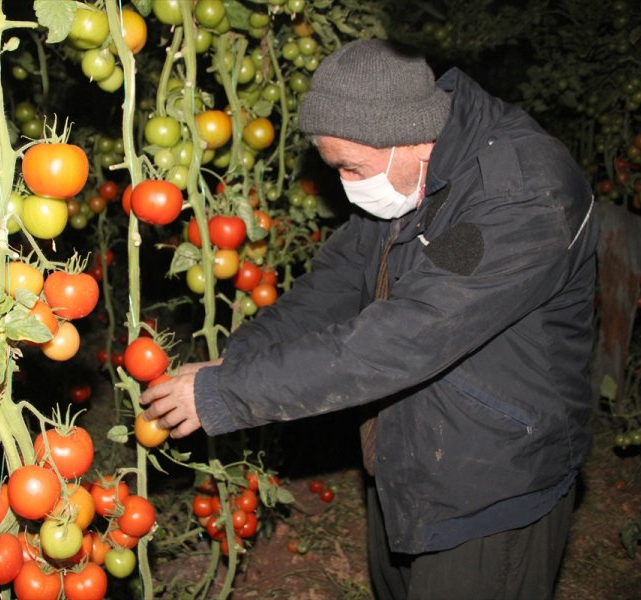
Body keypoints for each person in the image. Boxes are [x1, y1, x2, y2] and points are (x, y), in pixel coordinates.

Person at [140, 39, 597, 600]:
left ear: (412, 138)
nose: (347, 185)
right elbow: (334, 285)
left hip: (493, 484)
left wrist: (230, 395)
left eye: (351, 167)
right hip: (411, 452)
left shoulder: (520, 196)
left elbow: (407, 334)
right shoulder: (416, 176)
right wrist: (239, 361)